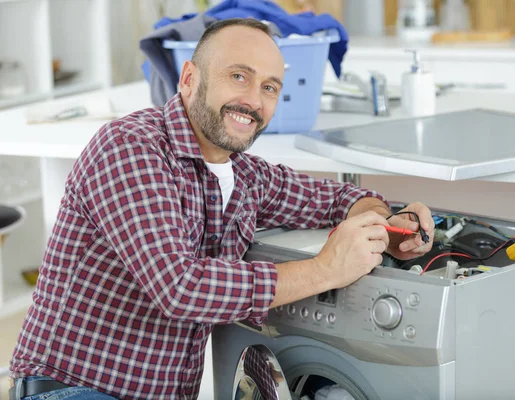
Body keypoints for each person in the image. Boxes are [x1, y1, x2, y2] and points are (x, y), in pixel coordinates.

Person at [9, 18, 434, 400]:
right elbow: (179, 287)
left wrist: (385, 223)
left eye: (269, 87)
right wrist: (326, 270)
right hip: (69, 390)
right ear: (189, 79)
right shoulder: (131, 147)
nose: (253, 100)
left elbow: (333, 199)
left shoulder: (245, 175)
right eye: (238, 77)